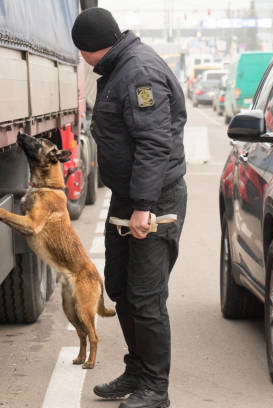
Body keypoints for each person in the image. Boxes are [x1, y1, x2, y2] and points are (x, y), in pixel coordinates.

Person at [71, 8, 188, 408]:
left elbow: (154, 144)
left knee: (145, 297)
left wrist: (143, 207)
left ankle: (156, 389)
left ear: (88, 50)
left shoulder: (139, 74)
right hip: (130, 197)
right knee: (120, 288)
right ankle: (137, 371)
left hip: (154, 201)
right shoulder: (119, 68)